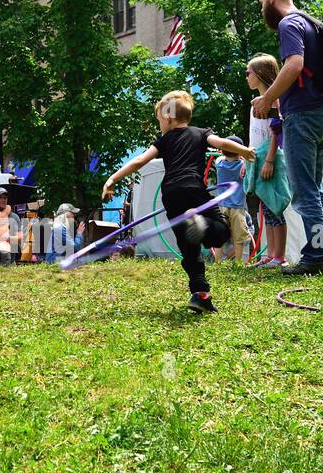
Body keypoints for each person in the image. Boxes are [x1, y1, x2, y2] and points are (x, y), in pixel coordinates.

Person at [102, 90, 255, 313]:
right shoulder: (201, 133)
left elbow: (139, 160)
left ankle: (200, 293)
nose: (159, 125)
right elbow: (221, 142)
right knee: (220, 233)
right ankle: (201, 224)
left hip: (171, 194)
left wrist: (113, 178)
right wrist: (243, 149)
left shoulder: (163, 141)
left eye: (158, 120)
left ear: (168, 118)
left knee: (188, 247)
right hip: (194, 189)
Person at [251, 0, 323, 276]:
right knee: (316, 188)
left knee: (304, 190)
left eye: (262, 3)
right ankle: (322, 251)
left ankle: (317, 254)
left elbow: (294, 64)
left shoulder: (288, 25)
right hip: (321, 115)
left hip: (302, 117)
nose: (263, 9)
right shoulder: (309, 23)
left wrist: (267, 98)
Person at [243, 53, 290, 268]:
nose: (246, 77)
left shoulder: (274, 102)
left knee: (275, 207)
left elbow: (275, 134)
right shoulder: (255, 104)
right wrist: (247, 159)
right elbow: (254, 136)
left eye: (248, 72)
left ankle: (279, 256)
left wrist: (270, 160)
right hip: (256, 159)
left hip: (269, 159)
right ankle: (270, 254)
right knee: (265, 209)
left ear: (260, 74)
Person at [211, 141, 251, 263]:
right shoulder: (242, 166)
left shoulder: (219, 164)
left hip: (221, 206)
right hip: (237, 208)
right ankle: (238, 262)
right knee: (239, 238)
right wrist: (243, 155)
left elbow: (220, 156)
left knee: (219, 236)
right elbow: (250, 160)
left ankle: (217, 262)